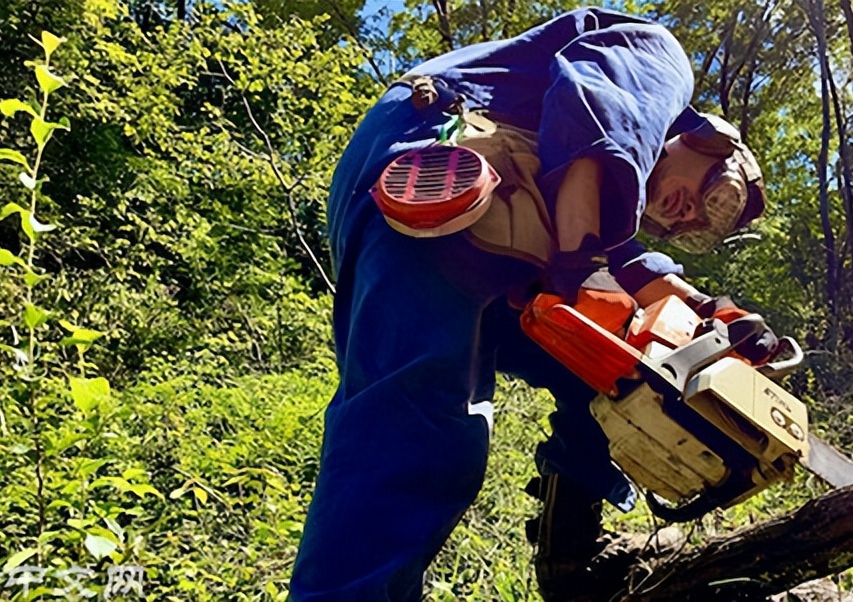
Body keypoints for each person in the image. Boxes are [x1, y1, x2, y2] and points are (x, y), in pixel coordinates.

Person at [289, 7, 773, 602]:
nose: (689, 215)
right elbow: (596, 116)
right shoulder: (660, 58)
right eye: (716, 196)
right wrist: (582, 265)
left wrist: (710, 318)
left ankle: (571, 550)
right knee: (418, 429)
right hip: (441, 172)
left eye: (702, 227)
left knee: (628, 376)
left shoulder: (590, 210)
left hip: (480, 219)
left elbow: (613, 253)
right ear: (708, 140)